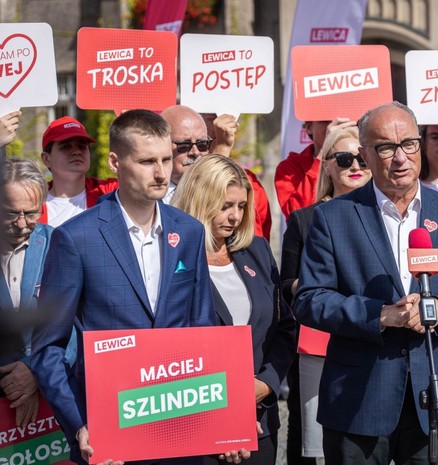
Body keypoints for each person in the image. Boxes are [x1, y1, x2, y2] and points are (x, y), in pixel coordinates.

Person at [30, 109, 248, 465]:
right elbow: (48, 347)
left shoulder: (190, 231)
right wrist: (80, 424)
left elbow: (203, 330)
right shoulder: (75, 238)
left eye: (165, 159)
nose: (161, 173)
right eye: (147, 161)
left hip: (181, 429)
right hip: (110, 435)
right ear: (115, 162)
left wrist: (225, 418)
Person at [293, 101, 438, 464]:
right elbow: (310, 299)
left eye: (409, 144)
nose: (400, 157)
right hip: (357, 399)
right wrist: (380, 314)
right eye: (386, 147)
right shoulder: (332, 217)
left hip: (433, 395)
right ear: (365, 155)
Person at [172, 155, 296, 465]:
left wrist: (265, 384)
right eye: (226, 206)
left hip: (259, 423)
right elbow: (168, 343)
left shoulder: (257, 249)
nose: (235, 216)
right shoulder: (169, 256)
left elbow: (284, 327)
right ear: (200, 200)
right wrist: (222, 411)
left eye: (241, 206)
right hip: (194, 425)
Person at [281, 126, 371, 463]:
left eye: (362, 158)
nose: (355, 165)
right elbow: (285, 284)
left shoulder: (389, 216)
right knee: (315, 444)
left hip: (373, 336)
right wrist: (317, 286)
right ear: (328, 165)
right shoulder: (304, 220)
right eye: (344, 159)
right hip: (319, 343)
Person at [161, 105, 272, 240]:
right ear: (161, 145)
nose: (195, 152)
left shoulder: (239, 186)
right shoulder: (146, 195)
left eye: (202, 145)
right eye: (184, 146)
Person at [0, 159, 53, 429]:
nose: (21, 224)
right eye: (11, 213)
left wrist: (34, 370)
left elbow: (75, 323)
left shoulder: (59, 245)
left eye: (31, 214)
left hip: (49, 397)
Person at [38, 116, 118, 226]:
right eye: (66, 147)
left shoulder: (108, 191)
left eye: (82, 146)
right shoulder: (32, 201)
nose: (76, 152)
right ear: (46, 159)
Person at [275, 118, 356, 219]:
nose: (335, 126)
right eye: (326, 120)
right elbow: (299, 217)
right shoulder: (289, 168)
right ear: (309, 127)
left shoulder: (361, 162)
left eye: (341, 120)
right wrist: (324, 150)